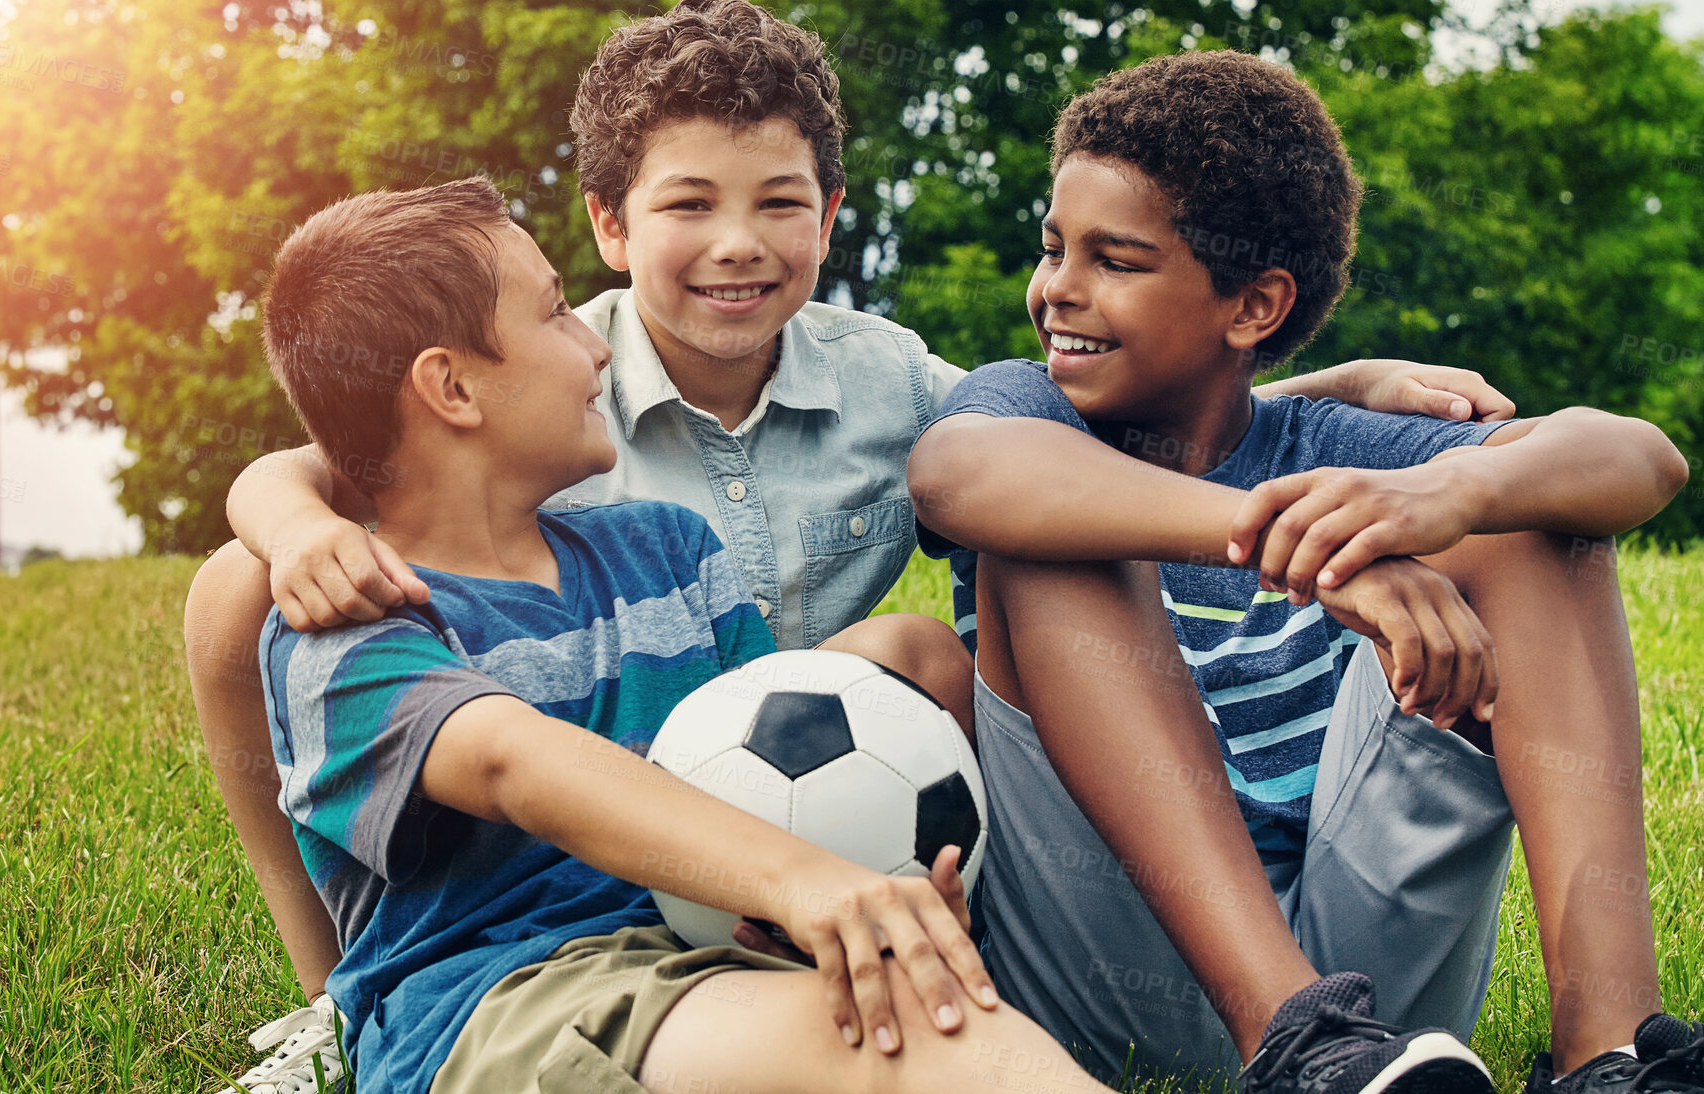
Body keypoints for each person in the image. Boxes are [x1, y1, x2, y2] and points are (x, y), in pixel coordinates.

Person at [182, 4, 1519, 1088]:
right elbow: (490, 714)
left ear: (827, 215)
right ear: (608, 228)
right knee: (251, 583)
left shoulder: (787, 445)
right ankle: (333, 1001)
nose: (733, 246)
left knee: (920, 646)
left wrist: (1304, 391)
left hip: (725, 827)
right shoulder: (504, 448)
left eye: (777, 205)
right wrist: (287, 513)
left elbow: (1063, 443)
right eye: (685, 207)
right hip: (529, 934)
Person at [906, 50, 1704, 1094]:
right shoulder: (1029, 409)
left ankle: (1611, 1048)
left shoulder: (1332, 444)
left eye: (1116, 260)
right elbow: (957, 472)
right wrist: (1310, 554)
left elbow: (1643, 458)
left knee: (1537, 521)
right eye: (1055, 247)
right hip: (1100, 971)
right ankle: (1291, 1033)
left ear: (1253, 308)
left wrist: (1452, 500)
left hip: (1369, 995)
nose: (1059, 288)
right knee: (1055, 537)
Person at [248, 172, 1112, 1094]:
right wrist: (805, 881)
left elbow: (762, 782)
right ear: (451, 386)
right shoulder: (345, 634)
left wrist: (854, 870)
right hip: (514, 1001)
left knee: (922, 1009)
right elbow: (514, 763)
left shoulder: (666, 551)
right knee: (917, 1038)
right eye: (555, 317)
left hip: (720, 962)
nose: (597, 348)